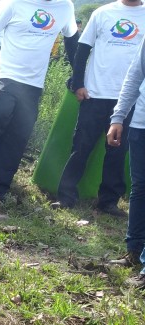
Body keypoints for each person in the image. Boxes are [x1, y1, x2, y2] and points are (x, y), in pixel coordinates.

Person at [0, 0, 78, 200]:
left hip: (34, 83)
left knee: (18, 136)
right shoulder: (14, 4)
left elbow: (71, 41)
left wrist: (79, 75)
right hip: (7, 76)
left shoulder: (65, 6)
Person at [56, 0, 145, 216]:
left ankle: (108, 202)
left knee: (117, 151)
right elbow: (83, 48)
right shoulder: (102, 13)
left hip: (128, 99)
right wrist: (78, 83)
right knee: (81, 145)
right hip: (95, 92)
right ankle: (66, 196)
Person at [108, 38, 145, 283]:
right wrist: (118, 116)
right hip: (141, 123)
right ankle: (134, 250)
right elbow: (135, 75)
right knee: (140, 189)